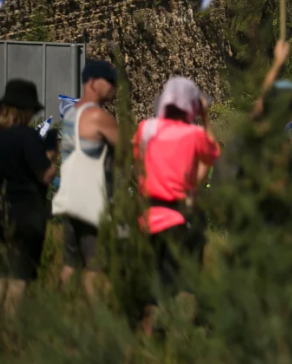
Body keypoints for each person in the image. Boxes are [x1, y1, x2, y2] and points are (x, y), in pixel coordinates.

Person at [133, 77, 220, 336]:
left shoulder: (146, 128)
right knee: (184, 285)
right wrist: (205, 119)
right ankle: (180, 340)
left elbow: (136, 162)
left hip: (147, 217)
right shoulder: (194, 134)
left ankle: (148, 340)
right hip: (179, 219)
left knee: (152, 284)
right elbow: (213, 152)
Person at [0, 79, 54, 332]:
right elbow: (44, 174)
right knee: (19, 275)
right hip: (24, 213)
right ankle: (11, 331)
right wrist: (51, 157)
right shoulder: (26, 136)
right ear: (24, 109)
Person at [52, 60, 119, 301]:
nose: (114, 87)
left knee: (70, 264)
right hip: (93, 203)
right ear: (91, 82)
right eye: (109, 81)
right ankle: (96, 320)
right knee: (96, 268)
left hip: (70, 198)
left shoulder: (70, 114)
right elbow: (129, 152)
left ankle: (59, 308)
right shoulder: (98, 117)